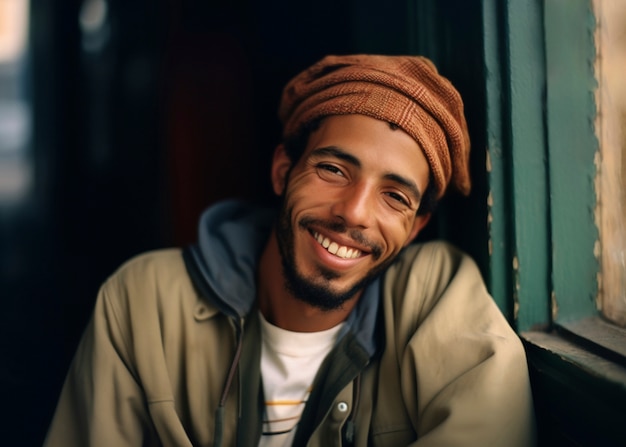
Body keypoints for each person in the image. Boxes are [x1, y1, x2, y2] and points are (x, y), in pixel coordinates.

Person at [44, 54, 535, 446]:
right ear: (283, 170)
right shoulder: (143, 300)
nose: (355, 213)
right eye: (333, 170)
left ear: (414, 228)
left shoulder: (433, 294)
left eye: (395, 196)